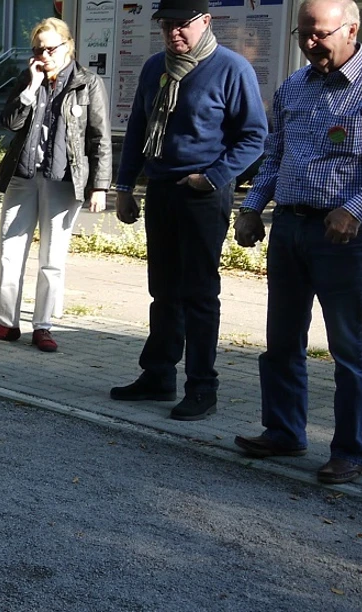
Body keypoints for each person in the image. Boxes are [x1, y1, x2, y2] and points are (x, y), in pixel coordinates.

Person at [233, 0, 362, 484]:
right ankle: (283, 430)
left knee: (349, 349)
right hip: (291, 230)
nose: (309, 44)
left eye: (319, 34)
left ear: (351, 29)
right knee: (281, 341)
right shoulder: (294, 86)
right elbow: (274, 155)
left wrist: (354, 209)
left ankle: (353, 450)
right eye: (303, 35)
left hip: (345, 238)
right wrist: (253, 206)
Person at [109, 0, 267, 419]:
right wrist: (124, 187)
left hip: (202, 192)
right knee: (163, 290)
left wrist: (211, 177)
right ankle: (159, 375)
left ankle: (202, 386)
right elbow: (139, 129)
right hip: (161, 189)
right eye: (166, 26)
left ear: (206, 22)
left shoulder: (232, 69)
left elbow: (254, 137)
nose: (173, 33)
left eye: (182, 25)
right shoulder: (154, 68)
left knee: (198, 293)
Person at [0, 18, 111, 353]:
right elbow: (11, 122)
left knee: (52, 257)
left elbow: (99, 138)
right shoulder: (27, 79)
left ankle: (43, 325)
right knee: (10, 252)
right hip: (23, 177)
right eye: (38, 49)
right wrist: (31, 89)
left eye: (51, 48)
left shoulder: (87, 83)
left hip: (63, 180)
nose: (44, 54)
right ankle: (6, 322)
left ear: (68, 46)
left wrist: (100, 186)